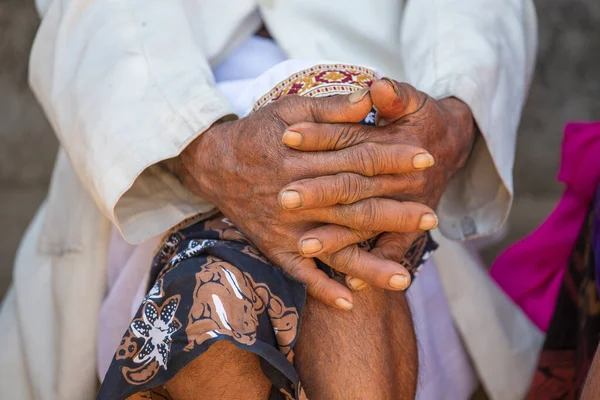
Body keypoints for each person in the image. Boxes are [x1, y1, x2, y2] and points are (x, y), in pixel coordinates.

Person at [0, 1, 539, 399]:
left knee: (340, 171)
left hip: (392, 104)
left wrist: (454, 111)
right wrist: (197, 145)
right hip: (155, 113)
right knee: (331, 185)